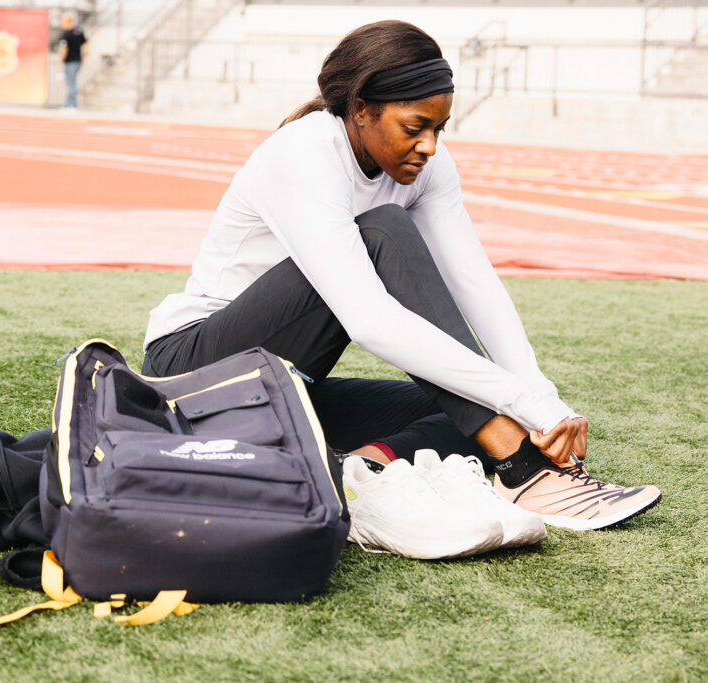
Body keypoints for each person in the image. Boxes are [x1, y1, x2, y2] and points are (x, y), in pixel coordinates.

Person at [141, 21, 661, 548]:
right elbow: (367, 319)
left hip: (285, 387)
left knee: (460, 408)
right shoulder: (305, 151)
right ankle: (523, 472)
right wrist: (523, 401)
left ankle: (361, 469)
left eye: (440, 128)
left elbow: (474, 283)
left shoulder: (427, 165)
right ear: (361, 109)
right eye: (415, 126)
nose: (429, 145)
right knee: (385, 229)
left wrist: (544, 401)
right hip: (191, 377)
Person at [59, 11, 87, 109]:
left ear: (67, 21)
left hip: (70, 62)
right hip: (77, 61)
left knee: (71, 83)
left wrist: (61, 61)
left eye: (63, 21)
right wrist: (83, 58)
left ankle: (72, 104)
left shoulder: (66, 34)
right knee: (72, 82)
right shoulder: (79, 32)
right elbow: (87, 45)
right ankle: (70, 104)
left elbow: (64, 49)